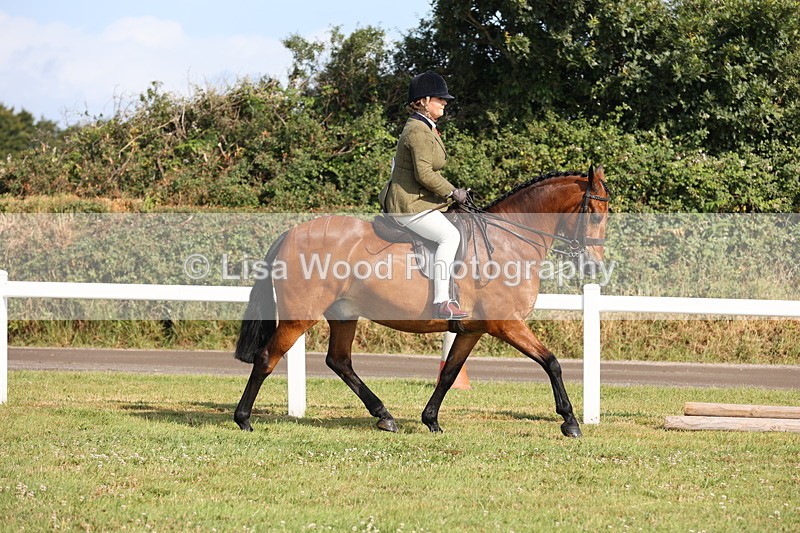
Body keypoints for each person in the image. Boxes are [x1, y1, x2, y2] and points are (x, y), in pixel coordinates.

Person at [378, 71, 470, 320]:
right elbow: (425, 175)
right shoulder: (418, 131)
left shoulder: (427, 127)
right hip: (408, 204)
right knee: (449, 236)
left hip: (421, 200)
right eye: (440, 99)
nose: (445, 103)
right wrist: (452, 191)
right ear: (424, 100)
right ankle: (442, 302)